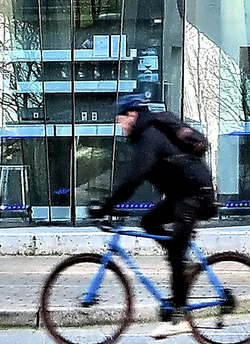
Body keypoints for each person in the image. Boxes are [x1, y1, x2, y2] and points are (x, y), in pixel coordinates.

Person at [90, 93, 215, 339]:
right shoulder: (145, 136)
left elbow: (135, 177)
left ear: (132, 115)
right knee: (149, 221)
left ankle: (179, 317)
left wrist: (106, 206)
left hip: (194, 195)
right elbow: (134, 177)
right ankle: (181, 258)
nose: (120, 125)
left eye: (121, 119)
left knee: (176, 252)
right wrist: (112, 204)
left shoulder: (150, 137)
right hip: (181, 195)